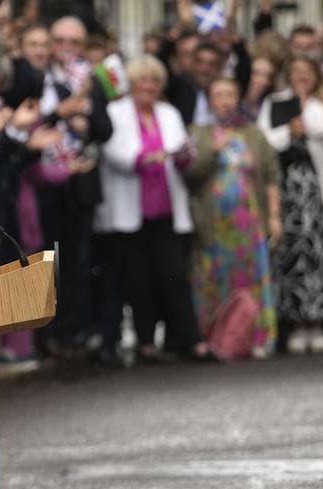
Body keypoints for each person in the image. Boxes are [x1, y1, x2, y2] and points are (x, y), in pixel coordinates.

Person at [96, 55, 208, 362]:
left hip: (166, 207)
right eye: (142, 81)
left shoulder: (168, 112)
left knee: (173, 275)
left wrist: (184, 155)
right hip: (129, 208)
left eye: (154, 81)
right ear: (130, 84)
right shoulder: (115, 112)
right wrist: (145, 157)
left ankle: (190, 338)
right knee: (137, 279)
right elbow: (112, 151)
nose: (148, 86)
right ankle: (145, 342)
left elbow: (181, 150)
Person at [258, 55, 323, 354]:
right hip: (288, 192)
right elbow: (264, 143)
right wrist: (289, 131)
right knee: (293, 254)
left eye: (307, 72)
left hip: (321, 190)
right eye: (296, 72)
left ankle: (322, 322)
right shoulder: (275, 102)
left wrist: (309, 125)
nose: (301, 77)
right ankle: (297, 324)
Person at [186, 76, 283, 359]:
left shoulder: (253, 133)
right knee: (213, 279)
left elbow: (270, 176)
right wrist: (210, 153)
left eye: (230, 94)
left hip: (249, 222)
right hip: (213, 224)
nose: (225, 100)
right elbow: (190, 175)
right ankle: (217, 338)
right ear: (210, 101)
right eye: (219, 95)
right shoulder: (198, 132)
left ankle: (258, 337)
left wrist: (274, 216)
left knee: (251, 278)